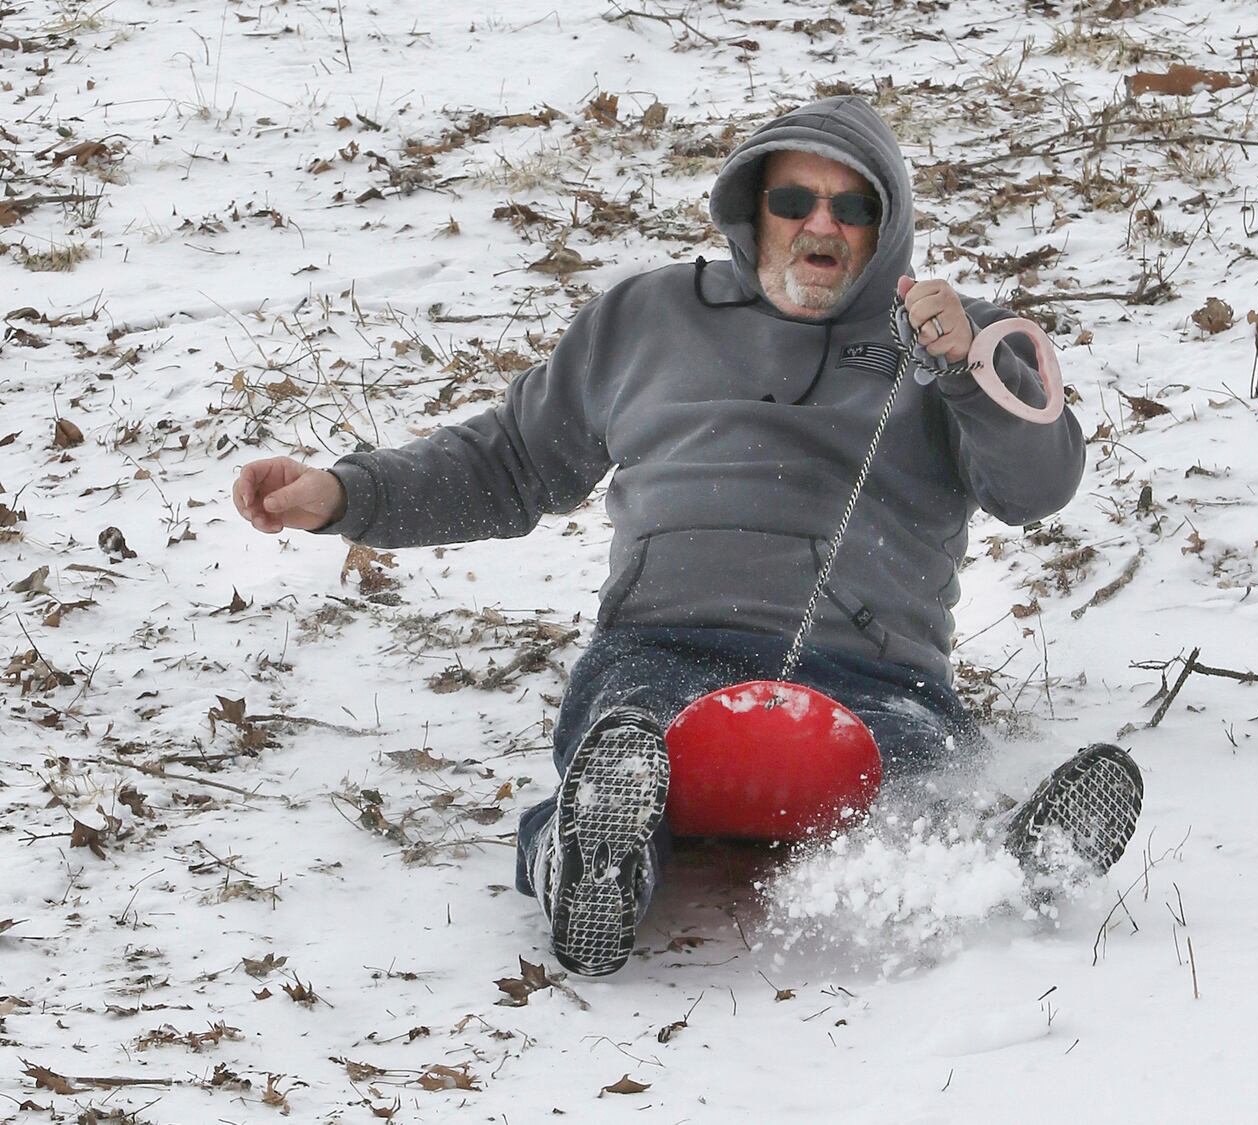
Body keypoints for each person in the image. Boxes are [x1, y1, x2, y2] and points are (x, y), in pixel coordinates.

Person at [232, 96, 1143, 977]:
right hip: (667, 650)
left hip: (874, 677)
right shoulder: (645, 319)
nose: (818, 226)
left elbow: (1039, 487)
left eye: (852, 207)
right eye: (794, 200)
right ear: (754, 209)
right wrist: (347, 495)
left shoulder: (953, 341)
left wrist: (964, 373)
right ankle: (588, 866)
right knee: (623, 747)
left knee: (917, 774)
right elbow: (509, 461)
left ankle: (1010, 859)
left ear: (886, 227)